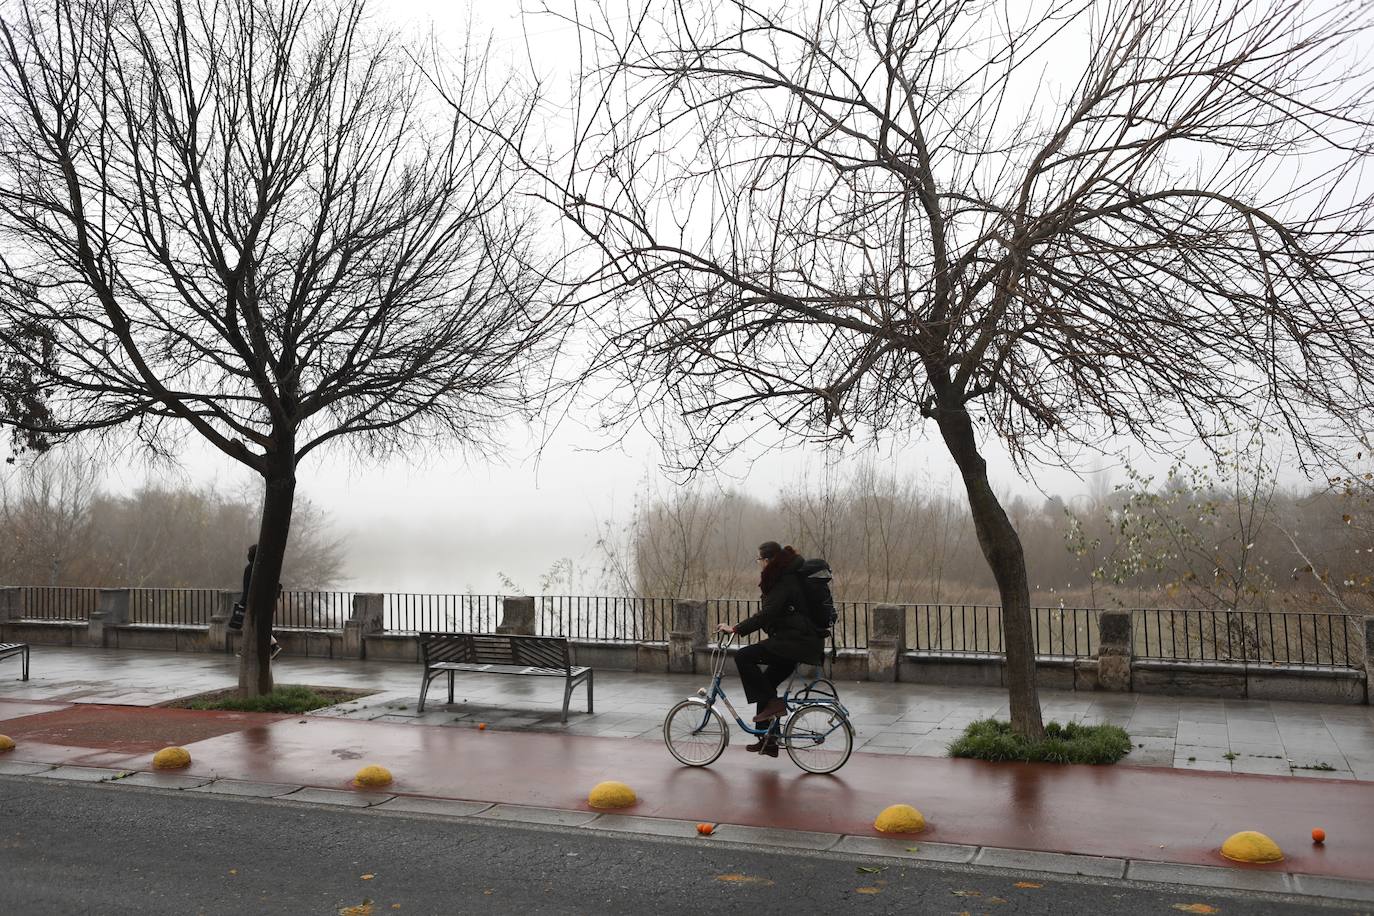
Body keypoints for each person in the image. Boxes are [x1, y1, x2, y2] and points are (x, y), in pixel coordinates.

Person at [717, 541, 824, 757]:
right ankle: (768, 740)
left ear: (767, 560)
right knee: (765, 685)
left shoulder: (784, 579)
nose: (759, 564)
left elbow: (767, 614)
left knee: (744, 657)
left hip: (793, 643)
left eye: (759, 560)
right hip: (796, 642)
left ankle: (772, 713)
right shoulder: (786, 575)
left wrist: (736, 629)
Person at [239, 544, 282, 660]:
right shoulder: (267, 567)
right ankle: (270, 647)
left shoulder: (250, 568)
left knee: (252, 625)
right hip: (267, 602)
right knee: (258, 626)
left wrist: (242, 603)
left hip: (254, 603)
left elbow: (247, 588)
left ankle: (272, 646)